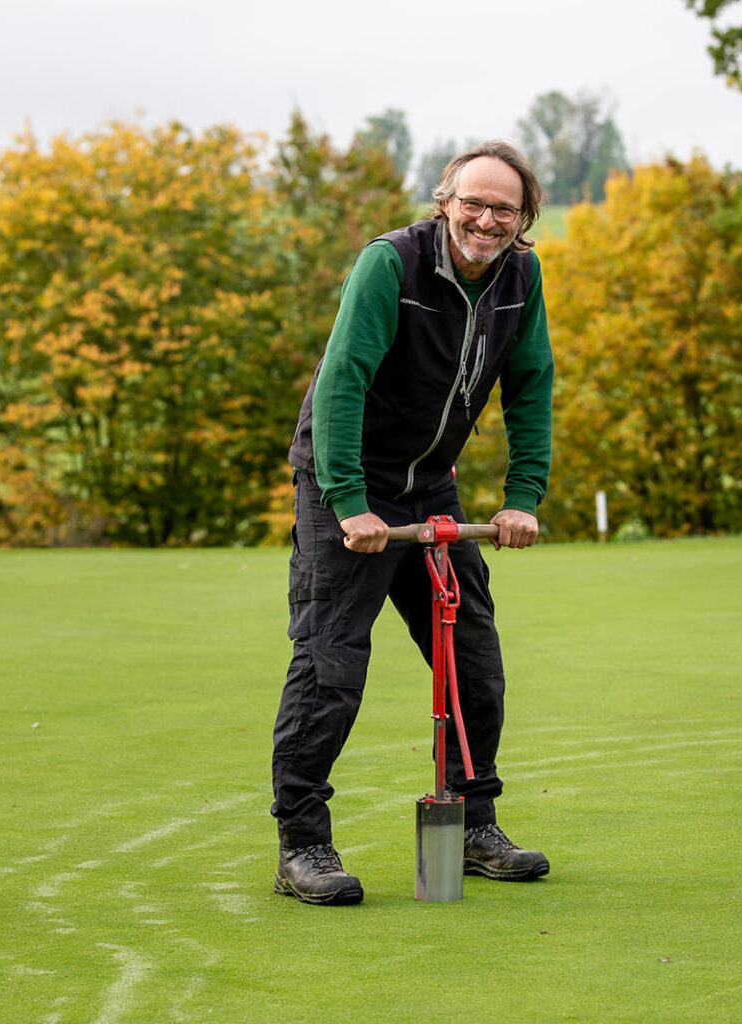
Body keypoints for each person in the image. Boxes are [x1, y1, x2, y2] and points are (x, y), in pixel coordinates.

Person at [270, 140, 555, 905]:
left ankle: (473, 825)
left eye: (504, 208)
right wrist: (349, 502)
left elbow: (531, 389)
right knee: (330, 667)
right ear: (446, 200)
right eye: (474, 203)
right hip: (346, 487)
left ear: (523, 218)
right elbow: (342, 383)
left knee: (474, 662)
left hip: (430, 487)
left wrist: (523, 495)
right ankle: (302, 845)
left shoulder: (521, 278)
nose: (486, 219)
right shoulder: (390, 265)